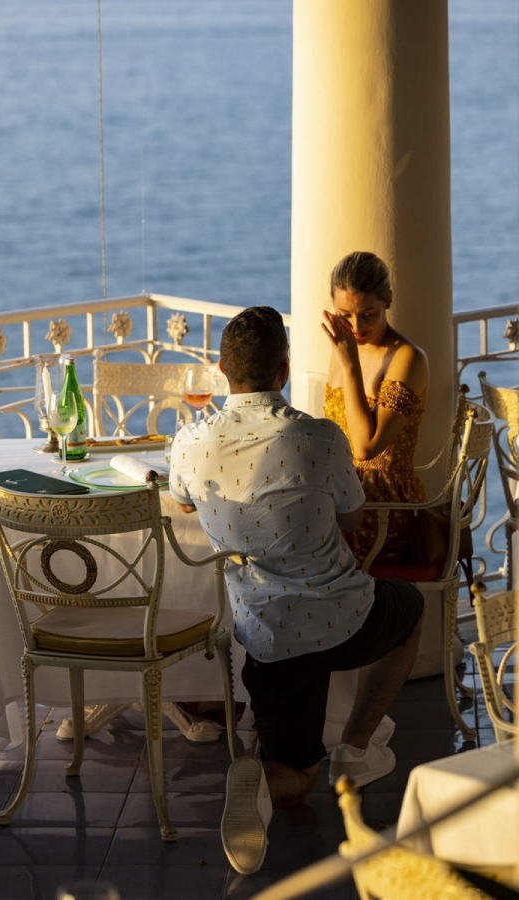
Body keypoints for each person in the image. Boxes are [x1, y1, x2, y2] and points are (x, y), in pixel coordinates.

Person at [169, 306, 424, 875]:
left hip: (269, 636)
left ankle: (258, 780)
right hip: (347, 617)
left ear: (219, 369)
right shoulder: (319, 437)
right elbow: (354, 520)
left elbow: (185, 499)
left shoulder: (189, 443)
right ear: (284, 371)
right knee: (409, 611)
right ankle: (356, 749)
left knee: (295, 777)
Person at [322, 251, 430, 565]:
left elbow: (366, 449)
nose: (356, 326)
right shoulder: (343, 348)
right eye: (345, 314)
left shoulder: (408, 358)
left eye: (368, 313)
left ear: (388, 300)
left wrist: (351, 366)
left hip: (383, 508)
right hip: (341, 492)